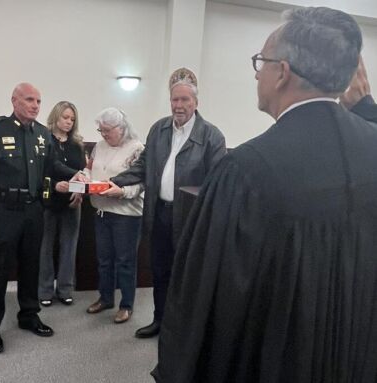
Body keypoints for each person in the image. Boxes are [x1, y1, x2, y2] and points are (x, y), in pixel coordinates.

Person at [152, 7, 377, 382]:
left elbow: (204, 300)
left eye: (261, 62)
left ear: (282, 73)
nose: (257, 74)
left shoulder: (243, 172)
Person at [0, 83, 77, 354]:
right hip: (5, 210)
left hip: (34, 210)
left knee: (31, 266)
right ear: (14, 101)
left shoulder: (43, 134)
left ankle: (28, 315)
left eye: (39, 101)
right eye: (29, 99)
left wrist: (73, 174)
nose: (35, 105)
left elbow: (53, 165)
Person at [111, 68, 227, 337]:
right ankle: (160, 321)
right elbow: (142, 166)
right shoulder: (159, 129)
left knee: (187, 277)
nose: (179, 106)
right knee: (160, 273)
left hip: (190, 220)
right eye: (175, 100)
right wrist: (116, 181)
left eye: (185, 100)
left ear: (196, 103)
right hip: (158, 215)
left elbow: (217, 184)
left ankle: (183, 330)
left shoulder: (211, 136)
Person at [80, 107, 144, 324]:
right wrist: (83, 177)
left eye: (108, 130)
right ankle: (105, 298)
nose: (104, 135)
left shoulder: (137, 149)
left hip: (125, 214)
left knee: (125, 261)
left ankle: (126, 305)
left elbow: (142, 183)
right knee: (104, 260)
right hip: (101, 210)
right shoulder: (98, 146)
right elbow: (89, 169)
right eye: (101, 130)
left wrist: (122, 192)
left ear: (122, 128)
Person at [38, 101, 85, 307]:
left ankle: (65, 288)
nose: (68, 122)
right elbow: (43, 170)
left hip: (72, 202)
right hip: (48, 199)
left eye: (72, 119)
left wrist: (79, 193)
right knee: (45, 247)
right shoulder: (43, 140)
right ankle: (45, 290)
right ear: (56, 116)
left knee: (69, 246)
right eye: (65, 117)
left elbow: (82, 173)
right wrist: (57, 185)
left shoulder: (77, 144)